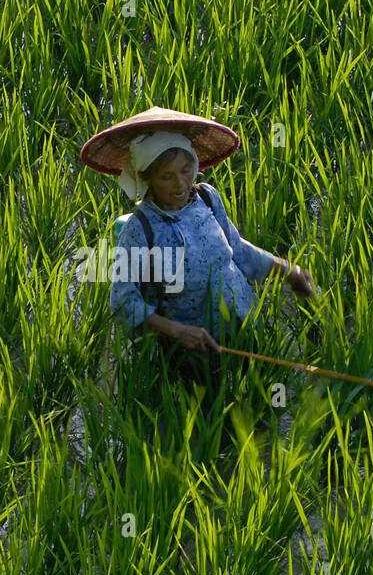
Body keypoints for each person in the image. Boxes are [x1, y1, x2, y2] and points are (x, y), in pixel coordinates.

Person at [104, 130, 315, 399]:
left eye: (186, 170)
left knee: (260, 399)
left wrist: (285, 270)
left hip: (242, 324)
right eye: (166, 176)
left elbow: (237, 249)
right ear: (147, 178)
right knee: (209, 416)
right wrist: (177, 332)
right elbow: (123, 300)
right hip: (191, 346)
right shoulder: (138, 229)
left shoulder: (207, 198)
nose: (180, 183)